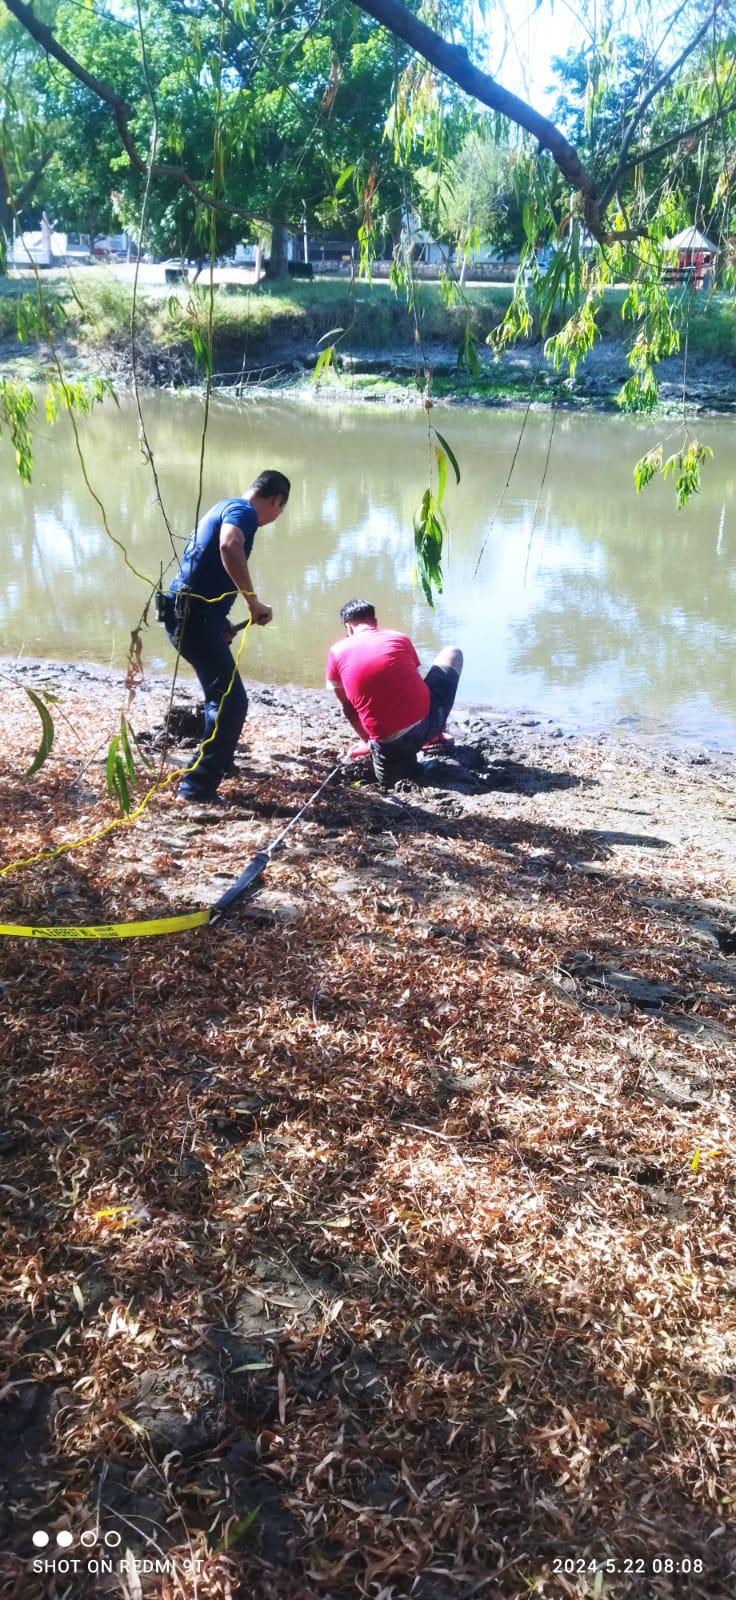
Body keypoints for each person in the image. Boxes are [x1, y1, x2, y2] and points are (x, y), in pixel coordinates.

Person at [162, 469, 290, 803]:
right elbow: (229, 546)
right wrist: (252, 601)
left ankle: (221, 763)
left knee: (219, 695)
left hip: (193, 615)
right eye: (281, 509)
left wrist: (219, 624)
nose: (276, 517)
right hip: (191, 617)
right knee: (232, 702)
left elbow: (205, 569)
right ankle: (197, 786)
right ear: (276, 500)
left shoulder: (225, 506)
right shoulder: (242, 511)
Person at [326, 599, 463, 786]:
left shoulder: (335, 652)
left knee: (391, 781)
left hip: (388, 744)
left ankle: (399, 762)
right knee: (452, 653)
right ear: (375, 622)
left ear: (349, 628)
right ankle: (435, 734)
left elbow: (348, 708)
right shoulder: (398, 638)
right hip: (424, 725)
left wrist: (367, 742)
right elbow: (413, 683)